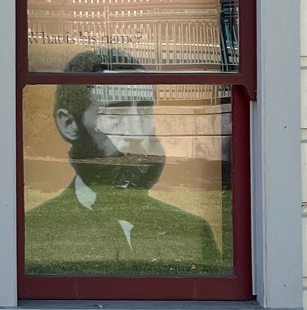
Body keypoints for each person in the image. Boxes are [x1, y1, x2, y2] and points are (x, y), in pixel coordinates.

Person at [24, 47, 223, 277]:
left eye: (145, 113)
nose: (137, 133)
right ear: (69, 124)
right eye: (116, 115)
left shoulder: (193, 233)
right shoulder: (35, 232)